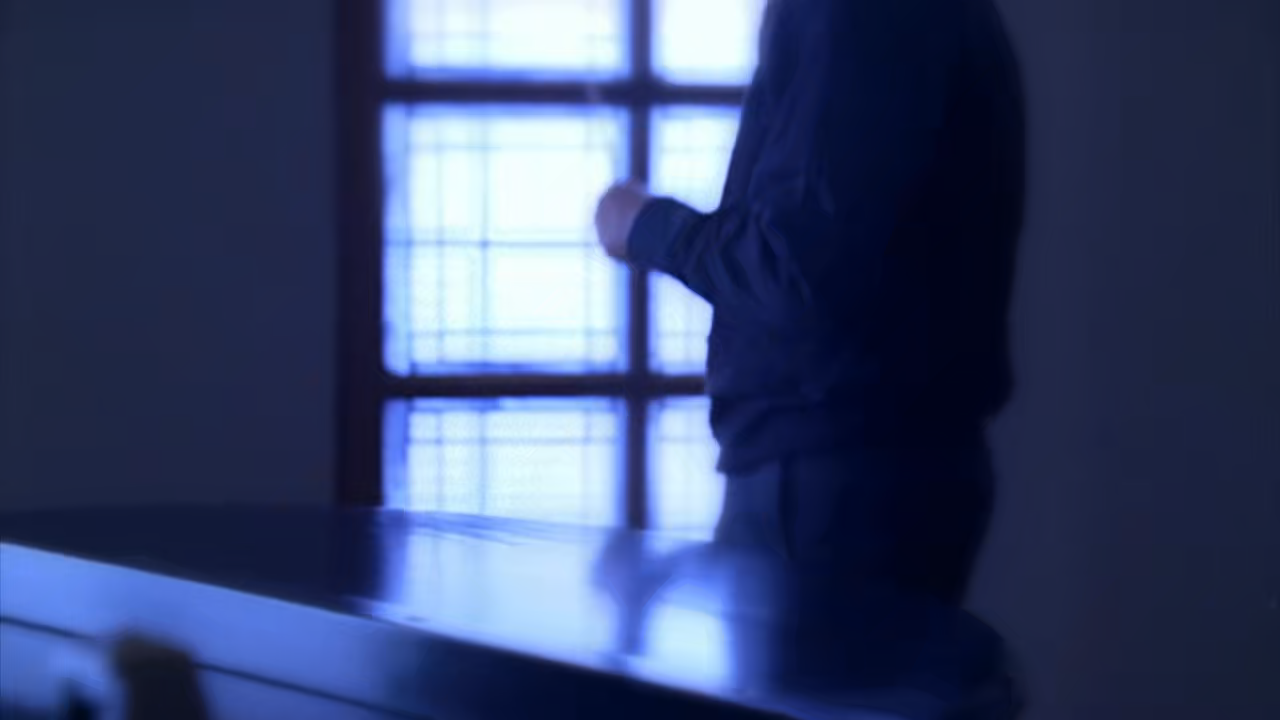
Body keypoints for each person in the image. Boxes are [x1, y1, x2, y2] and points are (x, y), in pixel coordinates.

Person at [594, 0, 1025, 605]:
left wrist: (643, 225)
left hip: (833, 479)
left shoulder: (855, 13)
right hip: (869, 472)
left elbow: (796, 267)